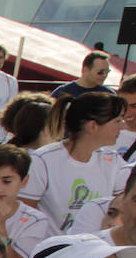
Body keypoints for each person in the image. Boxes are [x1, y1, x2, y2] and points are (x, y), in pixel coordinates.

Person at [21, 93, 128, 233]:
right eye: (118, 121)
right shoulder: (43, 160)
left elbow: (126, 204)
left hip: (93, 250)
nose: (123, 127)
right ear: (92, 126)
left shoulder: (113, 161)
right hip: (52, 250)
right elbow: (24, 216)